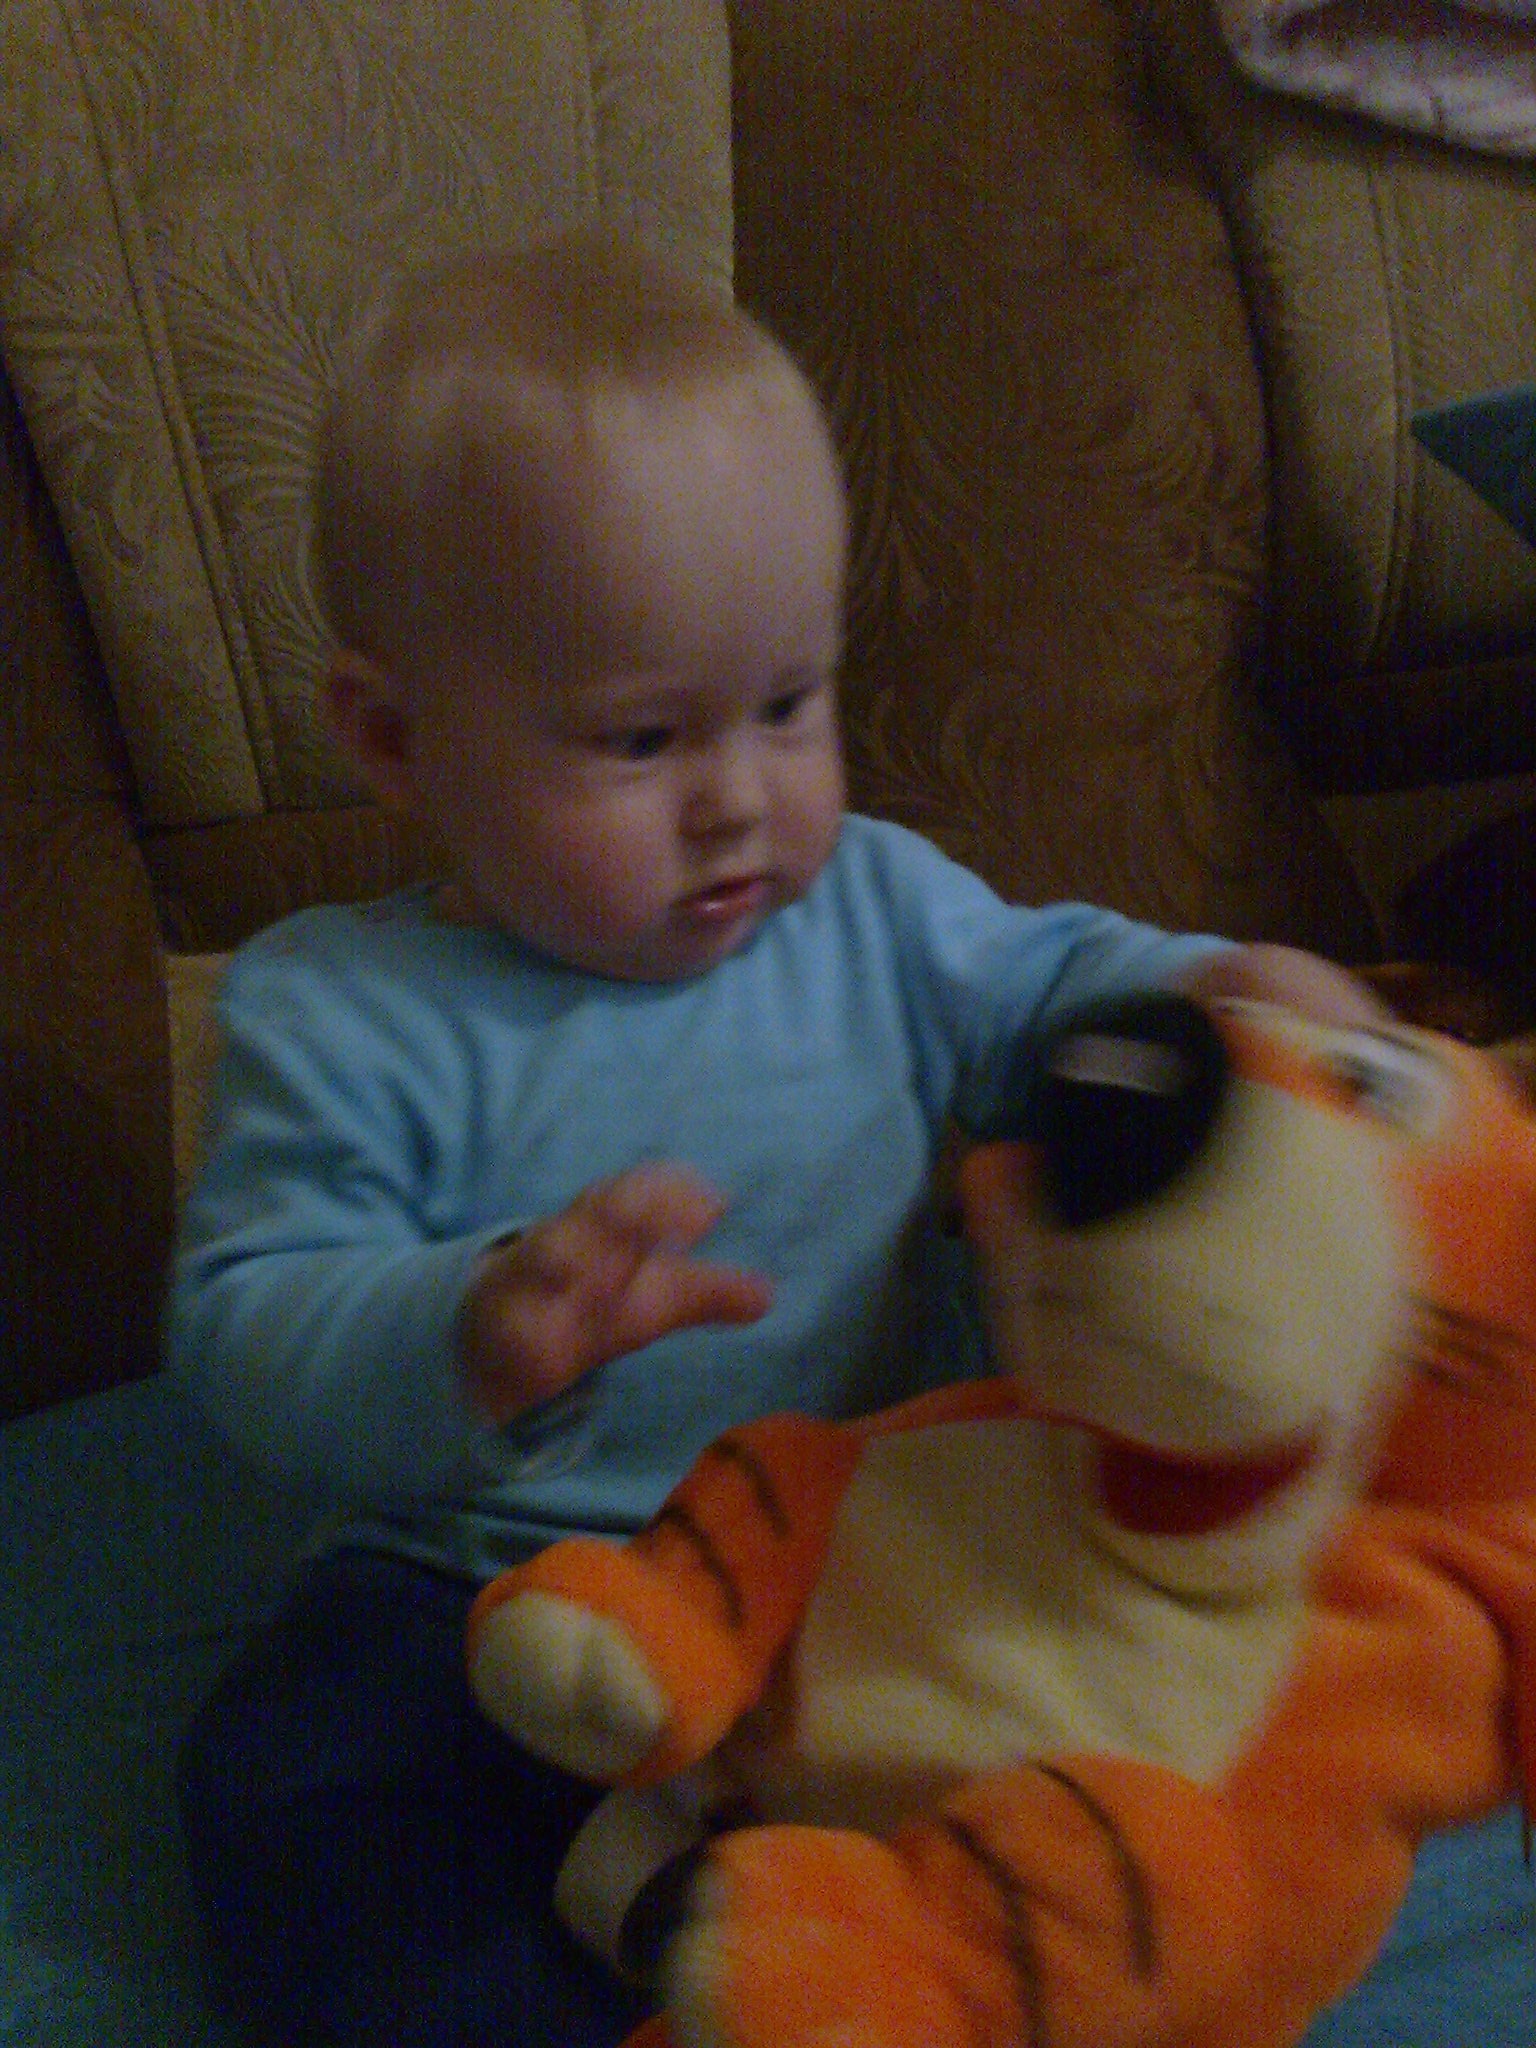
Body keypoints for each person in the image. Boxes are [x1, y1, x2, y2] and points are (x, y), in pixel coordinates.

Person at [169, 229, 1382, 2048]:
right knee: (292, 1779)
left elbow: (1062, 988)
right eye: (642, 738)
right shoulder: (334, 1008)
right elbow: (244, 1332)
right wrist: (471, 1325)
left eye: (791, 704)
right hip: (485, 1588)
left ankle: (880, 1954)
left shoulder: (876, 905)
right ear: (393, 735)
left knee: (1106, 1752)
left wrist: (1222, 990)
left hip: (858, 1558)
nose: (742, 797)